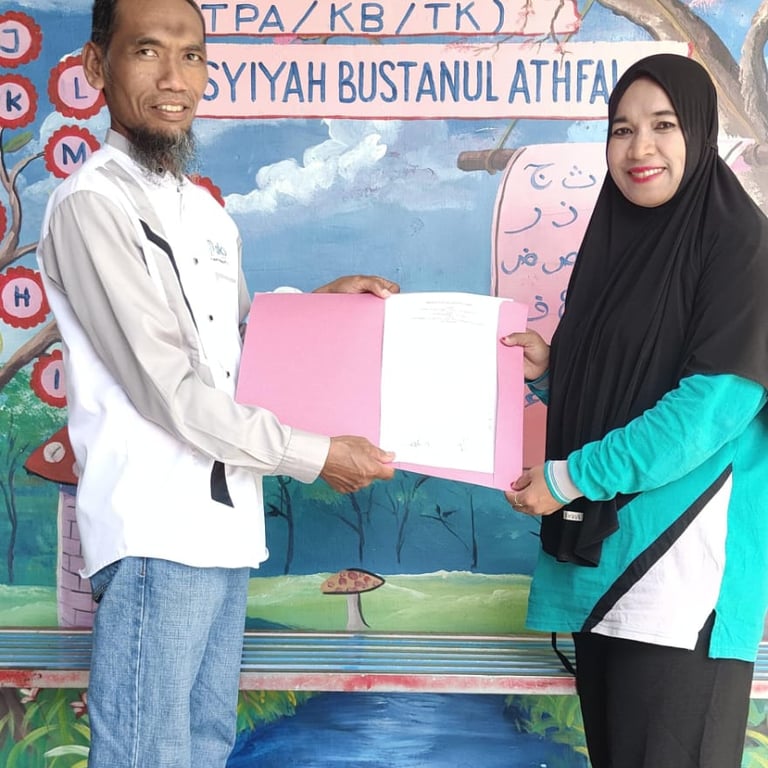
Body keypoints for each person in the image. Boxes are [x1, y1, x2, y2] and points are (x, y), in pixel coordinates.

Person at [36, 0, 398, 766]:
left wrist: (321, 309)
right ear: (98, 65)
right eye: (148, 52)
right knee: (149, 754)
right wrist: (315, 455)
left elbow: (233, 347)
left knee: (204, 748)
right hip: (155, 532)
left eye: (193, 55)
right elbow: (168, 387)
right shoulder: (92, 205)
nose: (175, 78)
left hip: (227, 532)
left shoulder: (204, 213)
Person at [502, 53, 768, 768]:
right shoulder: (616, 249)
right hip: (605, 576)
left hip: (682, 584)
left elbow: (711, 409)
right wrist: (553, 373)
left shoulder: (743, 246)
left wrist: (570, 476)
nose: (639, 147)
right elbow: (632, 381)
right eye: (621, 129)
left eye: (663, 124)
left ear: (700, 133)